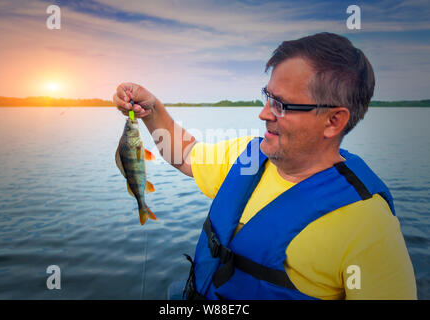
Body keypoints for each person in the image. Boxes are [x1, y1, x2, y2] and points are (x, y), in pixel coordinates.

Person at [113, 32, 417, 300]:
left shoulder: (370, 229)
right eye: (267, 97)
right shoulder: (246, 158)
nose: (263, 114)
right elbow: (184, 155)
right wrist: (152, 110)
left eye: (281, 105)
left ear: (334, 121)